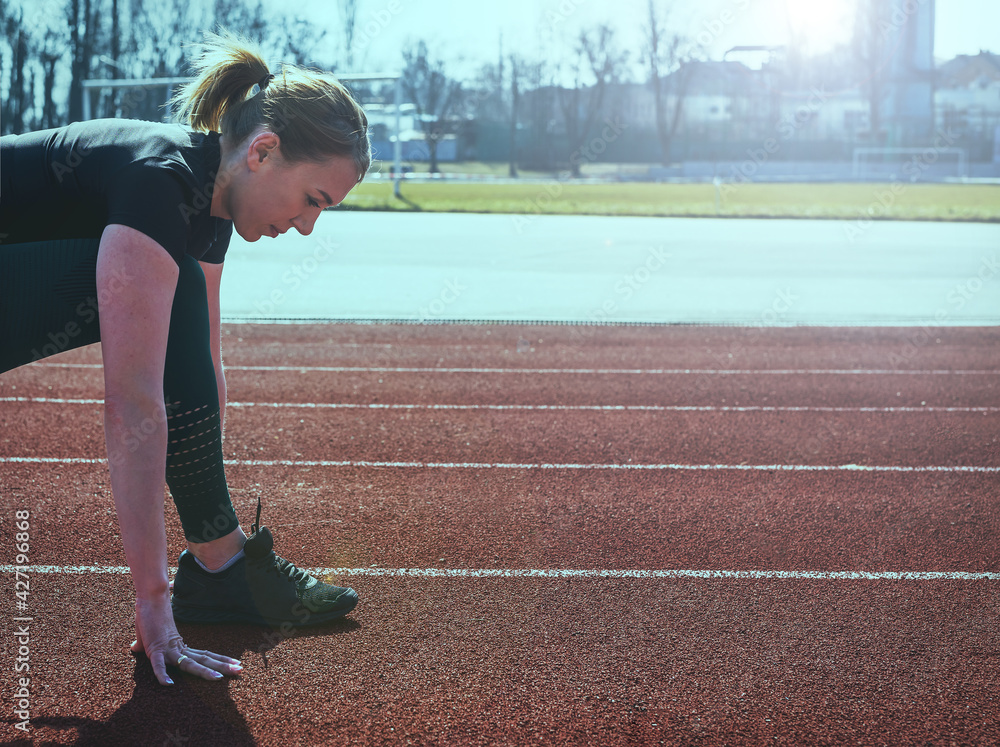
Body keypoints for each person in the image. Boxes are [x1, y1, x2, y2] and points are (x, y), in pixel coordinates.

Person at [0, 30, 371, 686]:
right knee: (173, 290)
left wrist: (209, 504)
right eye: (314, 199)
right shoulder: (162, 181)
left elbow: (201, 365)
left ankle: (220, 565)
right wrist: (152, 599)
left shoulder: (208, 204)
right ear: (263, 151)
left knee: (183, 303)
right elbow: (134, 402)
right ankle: (221, 567)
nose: (309, 226)